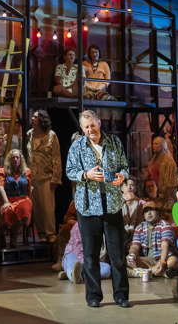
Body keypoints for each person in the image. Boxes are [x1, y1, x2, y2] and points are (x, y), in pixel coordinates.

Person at [64, 110, 131, 309]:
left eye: (92, 125)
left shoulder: (114, 142)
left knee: (117, 254)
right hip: (87, 206)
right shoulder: (77, 146)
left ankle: (121, 295)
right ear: (82, 129)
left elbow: (124, 166)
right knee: (90, 255)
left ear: (99, 123)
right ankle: (93, 296)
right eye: (86, 127)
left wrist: (122, 176)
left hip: (111, 204)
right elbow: (69, 171)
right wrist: (86, 174)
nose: (90, 130)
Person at [26, 110, 61, 242]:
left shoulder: (51, 136)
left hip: (46, 176)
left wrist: (56, 178)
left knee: (47, 208)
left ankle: (50, 233)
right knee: (36, 207)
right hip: (32, 176)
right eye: (33, 116)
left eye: (35, 116)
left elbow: (56, 157)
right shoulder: (29, 134)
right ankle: (40, 233)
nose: (32, 118)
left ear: (41, 119)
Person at [127, 204, 178, 279]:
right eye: (146, 211)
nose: (149, 213)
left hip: (164, 258)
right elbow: (135, 245)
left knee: (173, 261)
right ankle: (159, 273)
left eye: (152, 210)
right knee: (126, 260)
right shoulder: (139, 227)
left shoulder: (165, 225)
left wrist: (162, 262)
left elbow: (165, 245)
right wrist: (132, 255)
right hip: (149, 260)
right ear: (143, 215)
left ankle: (147, 272)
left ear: (158, 212)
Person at [0, 148, 33, 247]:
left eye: (17, 157)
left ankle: (14, 237)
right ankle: (2, 234)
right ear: (10, 159)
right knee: (7, 210)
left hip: (23, 199)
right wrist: (6, 202)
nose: (15, 159)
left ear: (21, 159)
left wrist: (30, 200)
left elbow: (29, 189)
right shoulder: (3, 171)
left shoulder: (27, 172)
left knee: (23, 208)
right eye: (13, 158)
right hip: (9, 199)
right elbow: (1, 187)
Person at [147, 135, 177, 205]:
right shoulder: (154, 159)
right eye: (153, 144)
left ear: (163, 145)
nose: (153, 146)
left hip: (166, 195)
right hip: (155, 192)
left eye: (156, 144)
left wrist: (165, 195)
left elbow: (171, 183)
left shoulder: (168, 161)